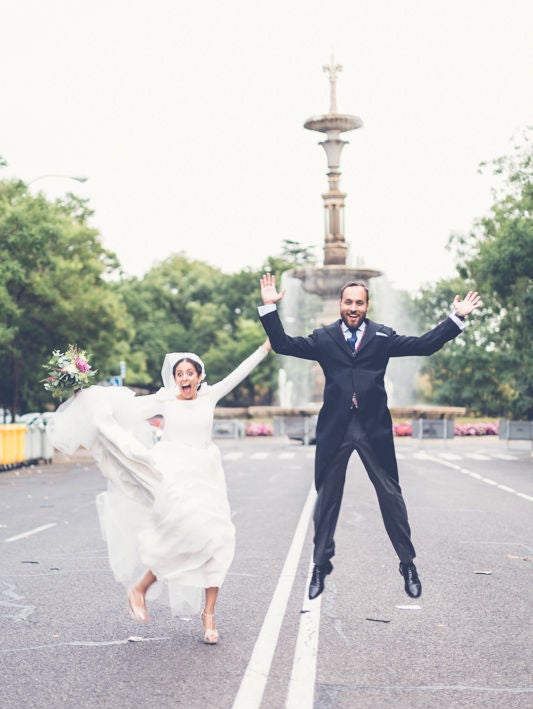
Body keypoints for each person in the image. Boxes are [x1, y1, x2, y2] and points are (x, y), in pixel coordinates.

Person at [258, 273, 481, 601]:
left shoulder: (382, 336)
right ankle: (321, 564)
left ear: (367, 305)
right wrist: (269, 309)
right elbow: (283, 344)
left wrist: (457, 317)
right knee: (327, 498)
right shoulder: (323, 337)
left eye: (359, 302)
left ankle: (407, 563)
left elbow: (425, 345)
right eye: (348, 302)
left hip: (373, 428)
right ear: (340, 305)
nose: (353, 307)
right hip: (335, 429)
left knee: (391, 495)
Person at [49, 341, 271, 643]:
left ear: (199, 377)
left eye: (190, 373)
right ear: (174, 378)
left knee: (218, 540)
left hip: (207, 475)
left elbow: (240, 372)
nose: (184, 378)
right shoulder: (165, 399)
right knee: (182, 532)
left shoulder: (211, 395)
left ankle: (209, 616)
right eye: (179, 373)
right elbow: (125, 410)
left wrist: (267, 344)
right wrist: (85, 397)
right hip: (174, 474)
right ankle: (140, 587)